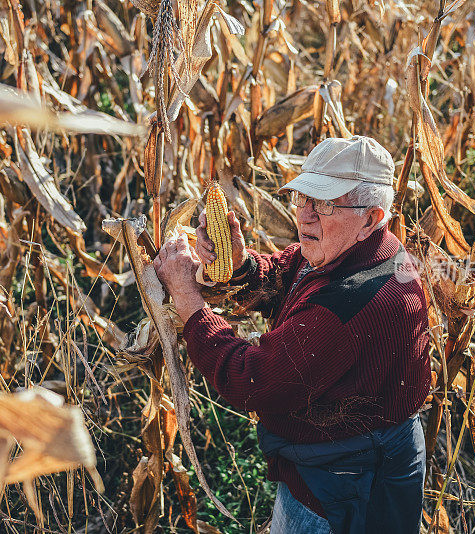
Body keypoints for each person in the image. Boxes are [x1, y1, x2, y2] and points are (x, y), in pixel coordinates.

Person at [153, 136, 431, 534]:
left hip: (341, 490)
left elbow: (252, 380)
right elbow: (287, 273)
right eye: (303, 198)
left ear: (372, 217)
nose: (305, 216)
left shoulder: (348, 308)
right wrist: (239, 264)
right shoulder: (356, 248)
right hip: (341, 462)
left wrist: (187, 299)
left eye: (325, 204)